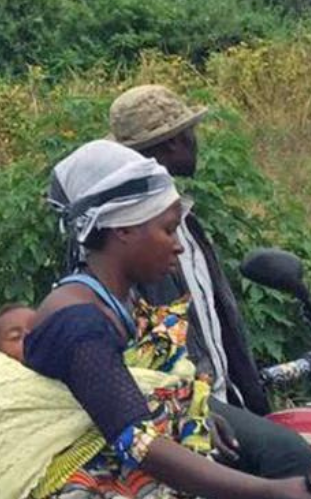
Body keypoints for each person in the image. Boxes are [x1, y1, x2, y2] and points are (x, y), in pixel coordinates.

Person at [0, 141, 311, 499]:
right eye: (167, 229)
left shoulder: (120, 300)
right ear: (124, 229)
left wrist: (188, 412)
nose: (178, 244)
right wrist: (274, 495)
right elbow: (139, 442)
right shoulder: (76, 320)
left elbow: (140, 388)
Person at [109, 84, 269, 416]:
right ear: (174, 142)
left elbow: (217, 322)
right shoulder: (136, 240)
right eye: (190, 134)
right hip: (189, 419)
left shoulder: (185, 220)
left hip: (226, 405)